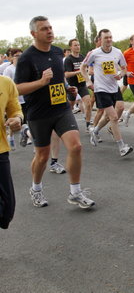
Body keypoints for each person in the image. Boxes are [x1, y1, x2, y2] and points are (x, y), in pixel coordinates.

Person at [15, 16, 95, 209]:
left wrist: (68, 89)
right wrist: (41, 83)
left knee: (75, 147)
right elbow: (17, 88)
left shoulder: (59, 52)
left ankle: (75, 193)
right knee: (42, 156)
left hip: (61, 109)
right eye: (44, 29)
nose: (49, 31)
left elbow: (59, 80)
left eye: (50, 27)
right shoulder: (27, 58)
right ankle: (36, 188)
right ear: (34, 33)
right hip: (39, 113)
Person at [81, 29, 133, 157]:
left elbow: (124, 68)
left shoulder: (118, 52)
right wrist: (87, 81)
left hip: (114, 88)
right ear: (100, 40)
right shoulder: (94, 53)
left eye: (110, 37)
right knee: (114, 117)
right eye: (106, 38)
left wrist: (121, 74)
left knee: (119, 109)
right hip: (101, 89)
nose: (109, 40)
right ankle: (122, 146)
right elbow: (83, 67)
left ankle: (95, 130)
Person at [0, 75, 23, 229]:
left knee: (7, 208)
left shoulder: (5, 83)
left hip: (0, 150)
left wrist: (17, 120)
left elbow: (16, 110)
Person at [64, 38, 92, 132]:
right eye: (75, 45)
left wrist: (86, 72)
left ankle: (88, 125)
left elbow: (86, 68)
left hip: (82, 84)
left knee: (88, 103)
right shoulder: (68, 59)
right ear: (71, 47)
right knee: (70, 106)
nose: (78, 47)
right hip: (72, 86)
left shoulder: (82, 57)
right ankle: (65, 120)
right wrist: (78, 72)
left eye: (78, 45)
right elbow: (66, 74)